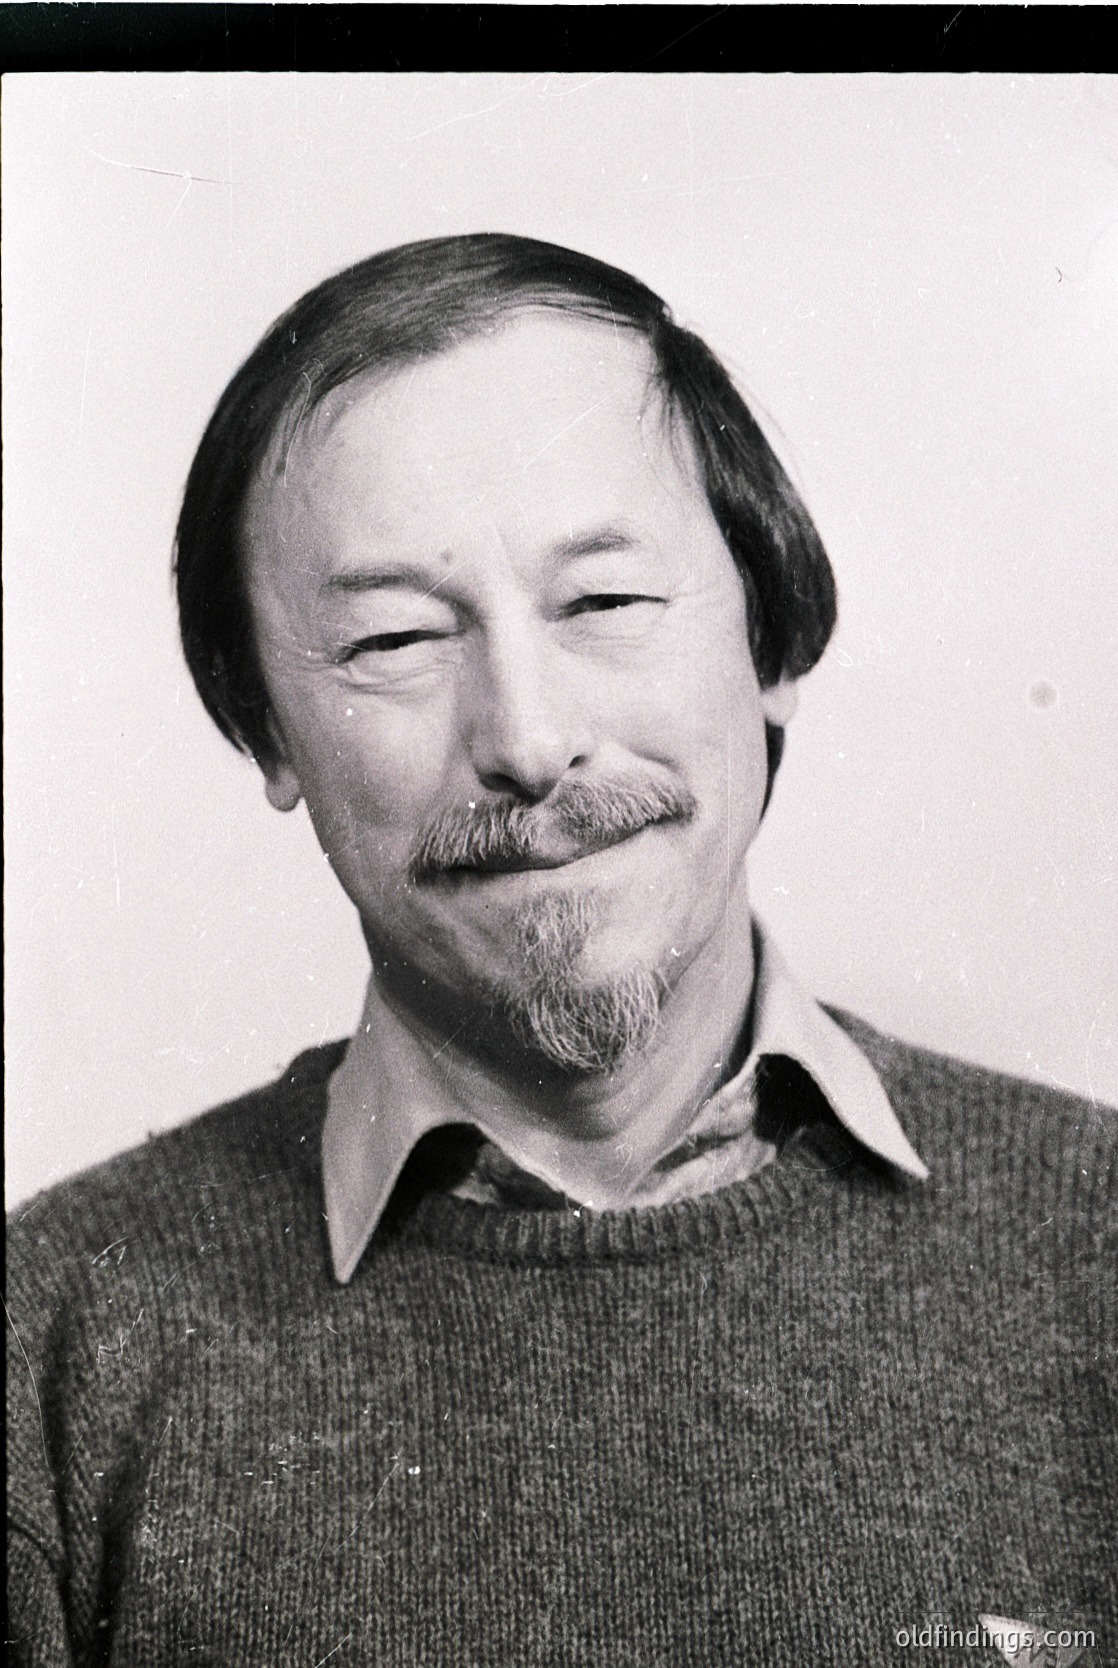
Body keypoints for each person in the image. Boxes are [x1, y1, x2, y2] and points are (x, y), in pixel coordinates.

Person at [7, 235, 1114, 1666]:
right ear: (266, 731)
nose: (528, 743)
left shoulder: (1094, 1246)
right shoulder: (51, 1350)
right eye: (393, 640)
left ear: (772, 644)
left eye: (603, 603)